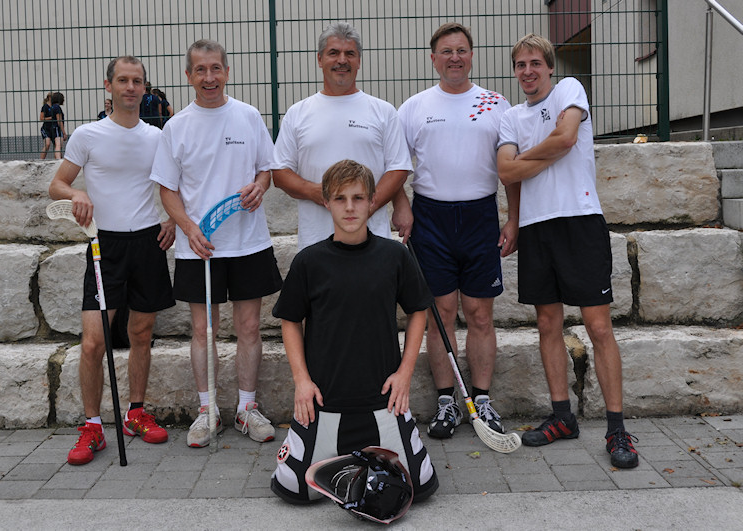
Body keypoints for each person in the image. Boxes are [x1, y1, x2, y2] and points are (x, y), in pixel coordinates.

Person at [496, 33, 639, 468]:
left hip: (579, 220)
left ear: (550, 67)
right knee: (547, 323)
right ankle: (563, 417)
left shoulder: (569, 90)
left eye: (535, 63)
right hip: (537, 229)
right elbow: (506, 172)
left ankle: (617, 430)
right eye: (520, 64)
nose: (528, 71)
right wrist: (515, 217)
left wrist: (527, 160)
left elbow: (565, 139)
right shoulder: (510, 117)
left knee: (598, 327)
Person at [271, 159, 438, 504]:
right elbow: (290, 321)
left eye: (359, 198)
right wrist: (302, 382)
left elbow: (418, 312)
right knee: (294, 490)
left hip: (382, 399)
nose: (350, 207)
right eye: (340, 198)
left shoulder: (394, 256)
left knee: (419, 488)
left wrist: (405, 374)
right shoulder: (309, 261)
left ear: (373, 201)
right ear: (327, 202)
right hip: (325, 400)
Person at [151, 39, 282, 448]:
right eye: (200, 71)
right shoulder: (176, 127)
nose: (209, 78)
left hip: (248, 243)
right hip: (199, 246)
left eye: (216, 69)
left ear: (227, 71)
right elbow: (167, 190)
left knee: (247, 327)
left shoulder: (247, 116)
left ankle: (247, 408)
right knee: (203, 329)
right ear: (188, 76)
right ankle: (207, 410)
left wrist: (260, 187)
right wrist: (188, 227)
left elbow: (267, 170)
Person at [48, 55, 176, 466]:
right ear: (109, 86)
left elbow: (176, 186)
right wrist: (77, 195)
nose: (130, 87)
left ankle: (135, 413)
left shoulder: (157, 137)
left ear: (144, 87)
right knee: (92, 342)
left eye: (137, 81)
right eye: (123, 80)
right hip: (105, 246)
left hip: (147, 243)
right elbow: (57, 184)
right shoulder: (88, 135)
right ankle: (91, 426)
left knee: (141, 332)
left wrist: (174, 219)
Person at [395, 22, 520, 440]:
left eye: (461, 50)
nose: (454, 58)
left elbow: (511, 171)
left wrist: (513, 217)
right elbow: (397, 166)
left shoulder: (495, 103)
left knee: (480, 313)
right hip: (430, 218)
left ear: (471, 55)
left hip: (480, 217)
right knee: (440, 314)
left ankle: (481, 399)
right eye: (446, 51)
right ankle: (448, 402)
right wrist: (402, 206)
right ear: (433, 59)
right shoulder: (413, 107)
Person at [272, 21, 412, 251]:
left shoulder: (383, 111)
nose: (342, 60)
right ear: (320, 59)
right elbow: (280, 173)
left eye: (350, 54)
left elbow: (398, 169)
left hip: (373, 241)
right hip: (316, 244)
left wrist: (366, 205)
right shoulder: (297, 113)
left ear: (358, 61)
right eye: (333, 53)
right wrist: (317, 192)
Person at [50, 91, 67, 159]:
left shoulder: (52, 107)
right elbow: (59, 120)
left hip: (52, 128)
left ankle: (57, 159)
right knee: (58, 145)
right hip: (57, 128)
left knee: (56, 145)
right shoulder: (57, 107)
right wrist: (64, 132)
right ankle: (58, 160)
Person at [39, 92, 55, 159]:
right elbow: (41, 118)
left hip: (54, 128)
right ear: (49, 97)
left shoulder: (55, 106)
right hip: (46, 128)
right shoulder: (45, 107)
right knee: (47, 144)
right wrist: (50, 118)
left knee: (57, 145)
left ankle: (57, 160)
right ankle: (41, 160)